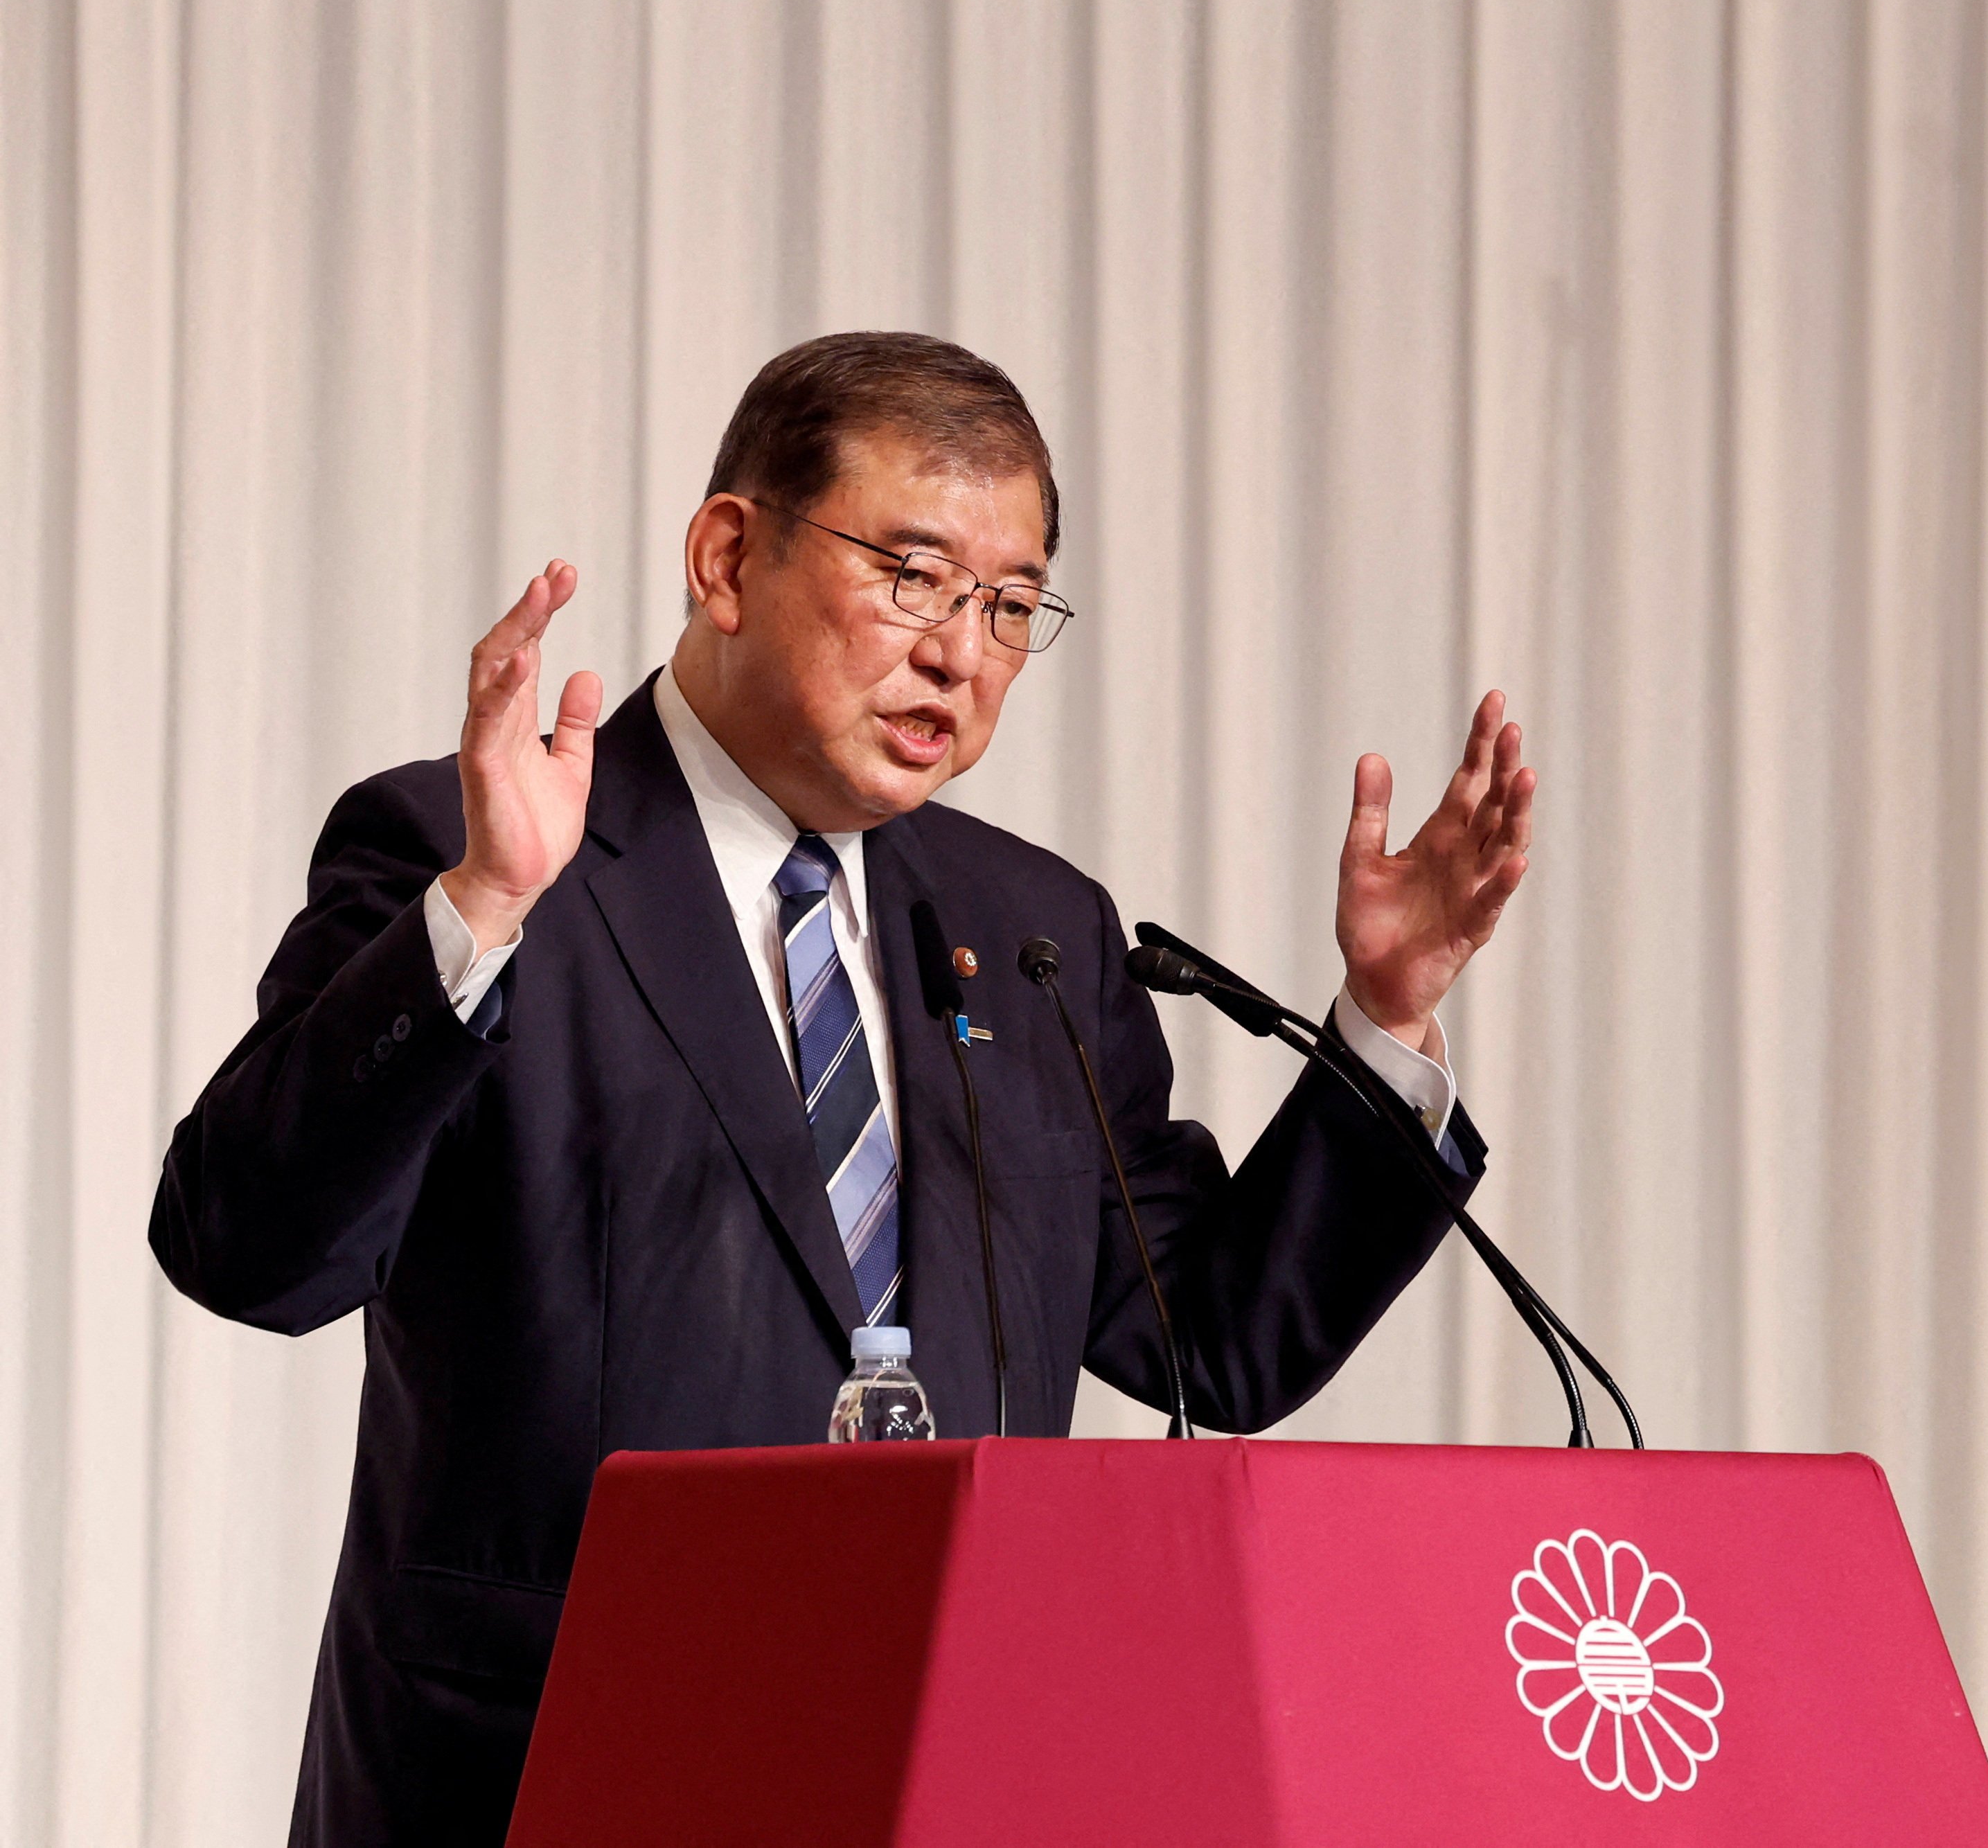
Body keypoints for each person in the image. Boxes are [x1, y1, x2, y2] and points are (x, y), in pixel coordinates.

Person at [150, 332, 1536, 1847]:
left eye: (1012, 605)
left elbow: (1209, 1331)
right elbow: (250, 1251)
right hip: (544, 1780)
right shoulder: (474, 846)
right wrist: (482, 905)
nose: (961, 650)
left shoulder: (1033, 934)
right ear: (729, 556)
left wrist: (1390, 1017)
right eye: (915, 576)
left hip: (945, 1781)